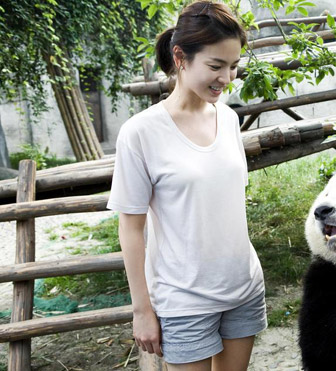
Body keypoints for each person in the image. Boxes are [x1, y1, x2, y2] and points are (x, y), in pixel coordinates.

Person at [107, 1, 266, 370]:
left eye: (233, 66)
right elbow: (131, 229)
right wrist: (142, 311)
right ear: (180, 57)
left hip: (243, 288)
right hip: (183, 302)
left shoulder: (227, 119)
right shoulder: (141, 133)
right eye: (215, 66)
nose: (226, 78)